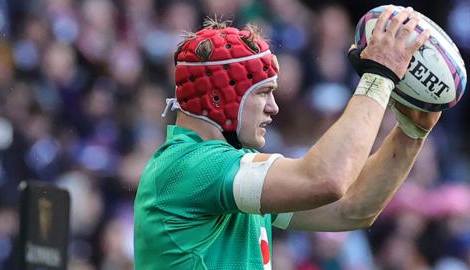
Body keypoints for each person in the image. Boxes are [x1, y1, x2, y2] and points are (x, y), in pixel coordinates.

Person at [134, 6, 441, 270]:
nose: (274, 107)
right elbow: (327, 180)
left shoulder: (226, 173)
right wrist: (379, 76)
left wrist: (412, 132)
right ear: (217, 99)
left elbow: (353, 208)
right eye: (263, 93)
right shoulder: (192, 166)